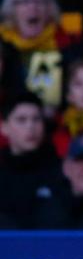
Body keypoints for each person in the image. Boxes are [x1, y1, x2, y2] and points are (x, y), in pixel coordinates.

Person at [0, 92, 61, 229]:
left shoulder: (61, 171)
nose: (30, 127)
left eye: (36, 119)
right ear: (4, 127)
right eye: (21, 120)